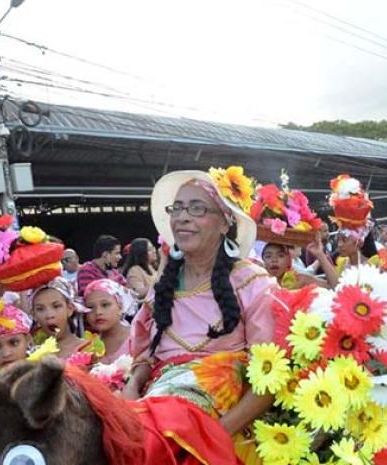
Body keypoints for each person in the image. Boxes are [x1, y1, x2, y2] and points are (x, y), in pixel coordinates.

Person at [122, 167, 277, 464]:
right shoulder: (163, 286)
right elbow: (144, 356)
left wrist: (213, 436)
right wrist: (130, 387)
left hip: (220, 416)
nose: (182, 217)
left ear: (224, 224)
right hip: (157, 406)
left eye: (196, 208)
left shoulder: (250, 280)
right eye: (177, 208)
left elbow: (269, 379)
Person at [30, 278, 100, 364]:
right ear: (34, 315)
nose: (49, 315)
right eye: (40, 309)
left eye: (56, 306)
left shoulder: (87, 349)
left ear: (70, 309)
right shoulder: (31, 352)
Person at [83, 279, 133, 365]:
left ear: (120, 306)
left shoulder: (137, 337)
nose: (98, 312)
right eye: (91, 307)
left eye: (105, 305)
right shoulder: (88, 347)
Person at [260, 238, 338, 289]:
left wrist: (320, 255)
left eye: (280, 256)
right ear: (263, 261)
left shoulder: (300, 280)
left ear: (289, 261)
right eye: (268, 256)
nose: (274, 260)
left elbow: (334, 286)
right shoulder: (257, 284)